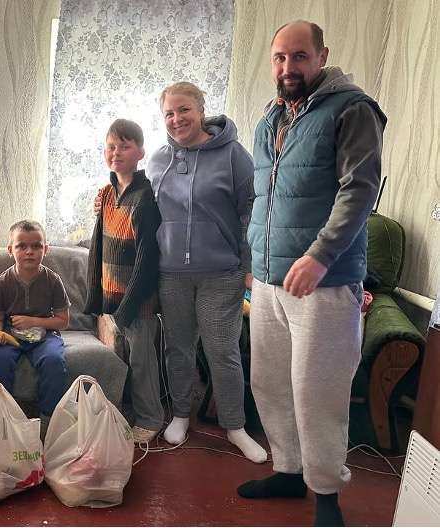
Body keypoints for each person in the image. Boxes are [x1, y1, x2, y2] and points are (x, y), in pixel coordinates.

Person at [236, 21, 386, 527]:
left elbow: (359, 191)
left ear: (322, 55)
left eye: (299, 57)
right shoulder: (270, 117)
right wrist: (254, 261)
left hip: (326, 281)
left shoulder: (352, 109)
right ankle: (288, 471)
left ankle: (326, 496)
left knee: (317, 392)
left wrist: (320, 256)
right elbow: (265, 198)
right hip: (269, 280)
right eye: (279, 58)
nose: (287, 68)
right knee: (272, 383)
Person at [140, 81, 267, 463]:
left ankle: (234, 426)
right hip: (171, 273)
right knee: (177, 349)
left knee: (221, 350)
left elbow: (252, 213)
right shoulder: (159, 159)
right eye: (169, 113)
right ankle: (180, 414)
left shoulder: (233, 156)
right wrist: (107, 197)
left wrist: (249, 267)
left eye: (184, 110)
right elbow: (144, 209)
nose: (177, 119)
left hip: (221, 273)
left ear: (201, 111)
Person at [84, 118, 164, 444]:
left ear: (140, 153)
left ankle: (151, 417)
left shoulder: (146, 198)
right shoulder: (106, 193)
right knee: (123, 360)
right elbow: (97, 246)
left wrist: (128, 307)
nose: (116, 152)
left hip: (137, 302)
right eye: (111, 146)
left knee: (143, 361)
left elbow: (148, 261)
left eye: (125, 146)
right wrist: (95, 297)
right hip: (112, 297)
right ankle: (129, 411)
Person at [0, 220, 69, 437]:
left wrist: (34, 321)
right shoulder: (2, 282)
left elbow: (63, 320)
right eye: (21, 246)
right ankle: (1, 421)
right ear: (10, 251)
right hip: (10, 332)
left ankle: (47, 424)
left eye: (36, 246)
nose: (29, 252)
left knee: (53, 361)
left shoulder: (52, 280)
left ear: (46, 249)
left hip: (45, 333)